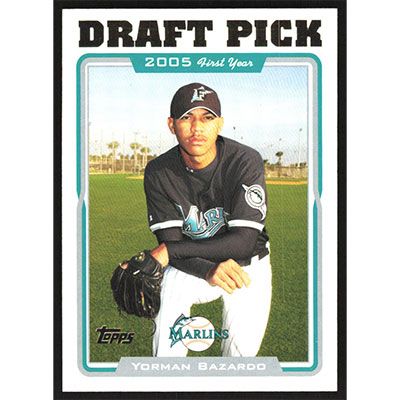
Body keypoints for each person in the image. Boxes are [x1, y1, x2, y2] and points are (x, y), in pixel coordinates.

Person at [144, 82, 272, 357]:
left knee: (240, 361)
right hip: (192, 263)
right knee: (165, 350)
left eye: (207, 118)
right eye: (186, 117)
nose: (197, 128)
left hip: (248, 267)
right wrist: (206, 269)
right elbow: (171, 242)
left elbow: (243, 242)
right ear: (171, 124)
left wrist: (168, 251)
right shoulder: (158, 171)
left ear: (220, 124)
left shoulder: (244, 160)